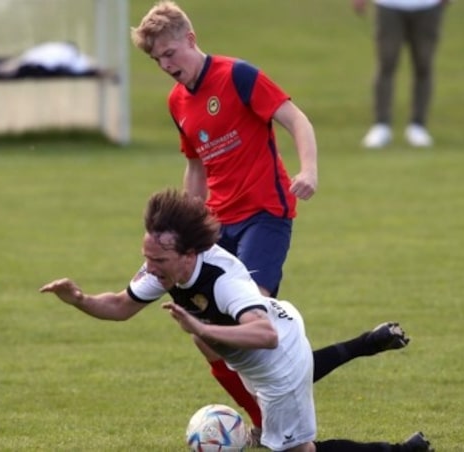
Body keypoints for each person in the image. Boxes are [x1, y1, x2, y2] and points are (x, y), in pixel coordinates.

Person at [40, 188, 433, 452]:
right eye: (146, 257)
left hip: (278, 356)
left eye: (158, 260)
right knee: (207, 343)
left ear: (189, 253)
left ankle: (400, 450)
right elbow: (121, 305)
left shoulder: (225, 280)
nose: (149, 268)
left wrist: (202, 327)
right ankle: (363, 345)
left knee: (295, 449)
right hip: (262, 343)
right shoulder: (166, 268)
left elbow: (265, 335)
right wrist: (78, 299)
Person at [130, 2, 321, 442]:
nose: (165, 65)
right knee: (206, 339)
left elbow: (296, 119)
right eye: (157, 59)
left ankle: (286, 417)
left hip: (265, 215)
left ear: (191, 40)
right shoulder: (177, 101)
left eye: (170, 53)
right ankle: (262, 417)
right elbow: (195, 167)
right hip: (217, 226)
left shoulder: (238, 76)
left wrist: (307, 171)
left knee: (252, 318)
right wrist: (185, 226)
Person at [353, 0, 449, 149]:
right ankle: (381, 124)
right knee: (387, 62)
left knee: (423, 64)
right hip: (389, 5)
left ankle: (418, 125)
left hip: (427, 6)